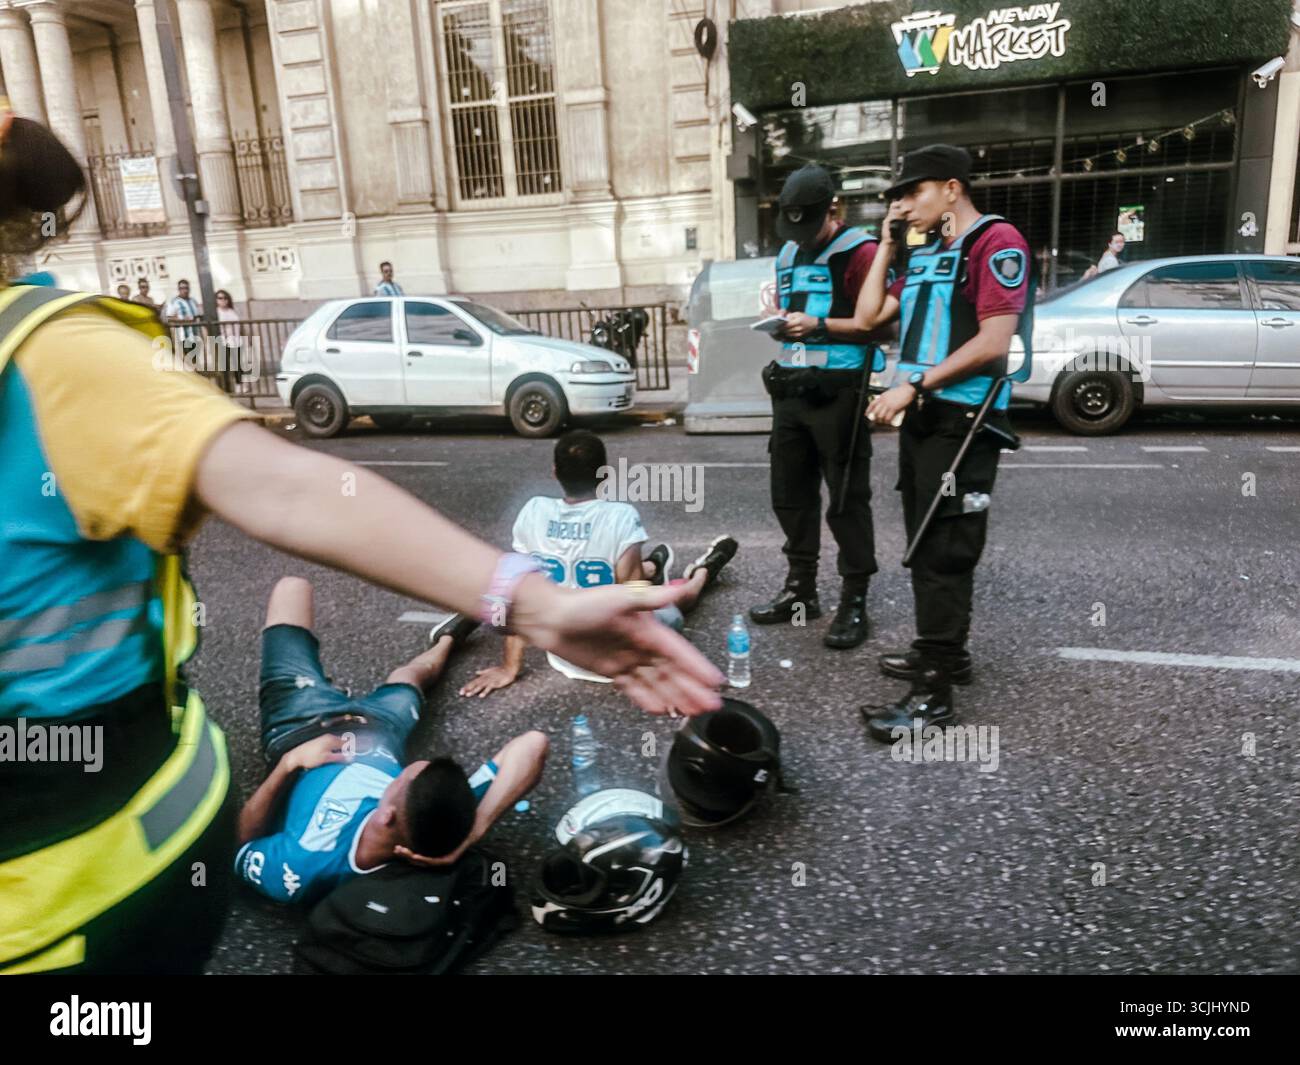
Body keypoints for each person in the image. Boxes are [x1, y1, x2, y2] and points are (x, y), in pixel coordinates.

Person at [0, 111, 721, 975]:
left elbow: (292, 486)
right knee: (408, 678)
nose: (384, 818)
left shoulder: (49, 354)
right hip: (215, 808)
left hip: (75, 908)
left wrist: (537, 604)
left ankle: (451, 633)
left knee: (324, 622)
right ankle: (449, 633)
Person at [852, 144, 1032, 740]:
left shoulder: (994, 244)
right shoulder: (932, 251)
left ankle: (933, 699)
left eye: (913, 192)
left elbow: (993, 342)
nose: (904, 204)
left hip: (963, 421)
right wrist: (887, 241)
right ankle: (945, 654)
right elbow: (869, 314)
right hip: (926, 417)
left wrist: (913, 386)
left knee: (943, 550)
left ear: (952, 188)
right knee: (927, 542)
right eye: (896, 198)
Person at [235, 577, 546, 906]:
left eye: (402, 778)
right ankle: (447, 638)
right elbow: (533, 744)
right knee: (412, 677)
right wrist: (473, 832)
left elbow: (237, 844)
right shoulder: (436, 814)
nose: (410, 766)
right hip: (382, 727)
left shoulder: (301, 864)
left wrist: (290, 763)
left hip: (301, 722)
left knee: (292, 587)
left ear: (386, 816)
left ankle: (327, 686)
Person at [461, 430, 737, 696]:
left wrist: (510, 667)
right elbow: (637, 598)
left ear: (555, 472)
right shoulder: (621, 516)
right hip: (613, 656)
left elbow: (518, 589)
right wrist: (657, 666)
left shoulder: (533, 511)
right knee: (678, 598)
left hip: (564, 652)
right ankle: (704, 570)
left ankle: (652, 567)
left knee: (621, 573)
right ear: (604, 475)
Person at [749, 164, 890, 651]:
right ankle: (800, 591)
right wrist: (783, 323)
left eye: (810, 225)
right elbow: (794, 311)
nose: (802, 238)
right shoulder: (788, 251)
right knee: (789, 495)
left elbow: (882, 327)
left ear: (833, 209)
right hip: (791, 391)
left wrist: (820, 325)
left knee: (847, 501)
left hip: (839, 395)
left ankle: (854, 600)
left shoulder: (862, 253)